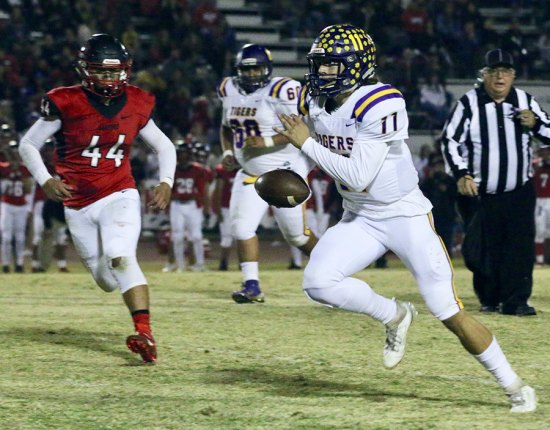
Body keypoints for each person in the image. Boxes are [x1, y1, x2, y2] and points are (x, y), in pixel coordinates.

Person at [275, 24, 536, 413]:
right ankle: (394, 315)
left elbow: (358, 174)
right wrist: (289, 168)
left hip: (403, 215)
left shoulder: (380, 102)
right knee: (318, 282)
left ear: (356, 66)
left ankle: (514, 384)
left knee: (447, 309)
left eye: (330, 66)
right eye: (319, 65)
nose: (321, 74)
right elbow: (313, 149)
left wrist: (306, 144)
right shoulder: (315, 99)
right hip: (359, 215)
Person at [18, 34, 176, 363]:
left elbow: (164, 146)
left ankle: (144, 333)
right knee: (106, 279)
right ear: (85, 71)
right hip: (77, 204)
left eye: (115, 72)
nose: (109, 79)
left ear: (126, 71)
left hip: (119, 192)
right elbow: (28, 144)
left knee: (121, 255)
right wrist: (45, 179)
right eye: (102, 72)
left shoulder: (137, 101)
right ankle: (137, 314)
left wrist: (166, 181)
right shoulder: (65, 101)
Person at [441, 49, 550, 316]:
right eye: (494, 71)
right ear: (484, 75)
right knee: (482, 251)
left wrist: (535, 124)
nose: (500, 76)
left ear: (512, 75)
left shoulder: (525, 100)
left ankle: (516, 300)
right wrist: (461, 174)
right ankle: (489, 296)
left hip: (518, 190)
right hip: (481, 193)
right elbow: (449, 140)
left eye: (505, 71)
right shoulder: (469, 103)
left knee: (519, 248)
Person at [218, 43, 318, 303]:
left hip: (284, 173)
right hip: (250, 173)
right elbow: (226, 127)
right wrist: (228, 153)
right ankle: (251, 286)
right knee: (241, 228)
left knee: (296, 236)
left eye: (257, 70)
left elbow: (298, 129)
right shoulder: (228, 89)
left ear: (268, 69)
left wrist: (268, 142)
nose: (252, 75)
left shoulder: (281, 90)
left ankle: (335, 271)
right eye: (247, 70)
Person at [0, 140, 33, 273]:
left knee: (20, 237)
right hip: (7, 204)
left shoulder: (25, 168)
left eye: (16, 151)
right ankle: (6, 264)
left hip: (21, 205)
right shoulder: (3, 167)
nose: (14, 153)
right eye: (12, 151)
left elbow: (29, 189)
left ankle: (19, 264)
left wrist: (20, 174)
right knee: (7, 237)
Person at [534, 148, 550, 266]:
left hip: (549, 199)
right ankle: (539, 260)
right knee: (539, 230)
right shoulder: (535, 165)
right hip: (539, 201)